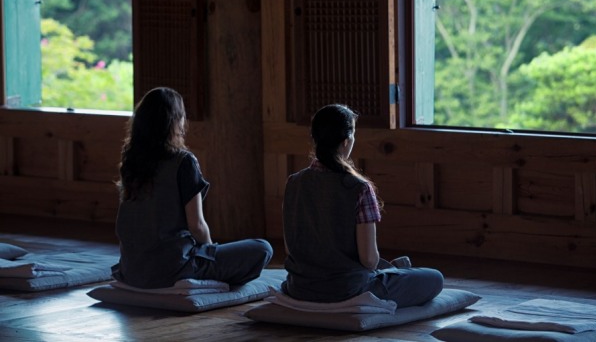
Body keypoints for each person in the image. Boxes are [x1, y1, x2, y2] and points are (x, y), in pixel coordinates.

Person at [282, 103, 444, 307]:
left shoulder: (294, 182)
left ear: (315, 139)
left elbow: (291, 250)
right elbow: (369, 260)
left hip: (299, 288)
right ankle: (395, 271)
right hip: (348, 290)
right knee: (434, 278)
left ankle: (394, 270)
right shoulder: (358, 188)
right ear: (347, 141)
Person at [112, 87, 273, 289]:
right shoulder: (183, 162)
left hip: (132, 270)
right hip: (175, 267)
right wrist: (209, 253)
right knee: (262, 248)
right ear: (174, 120)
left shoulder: (131, 161)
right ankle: (203, 280)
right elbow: (196, 225)